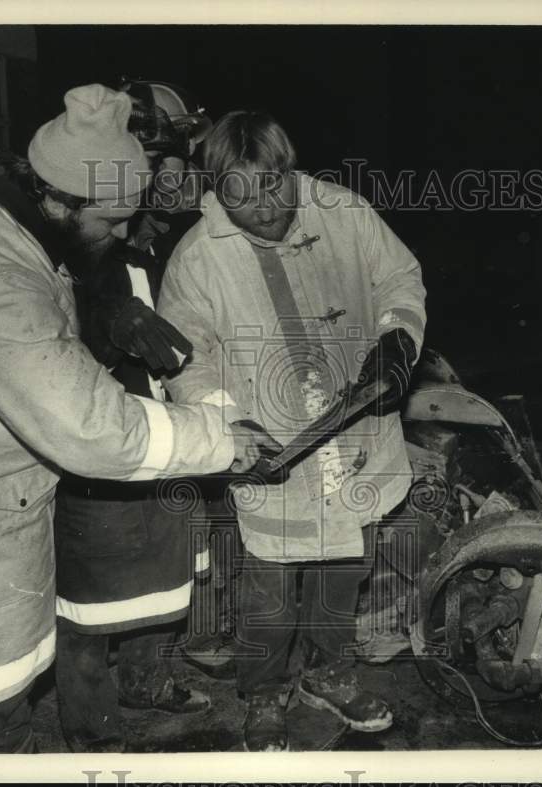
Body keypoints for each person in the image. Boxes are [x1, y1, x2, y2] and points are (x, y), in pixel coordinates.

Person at [0, 85, 278, 754]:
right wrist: (219, 438)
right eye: (113, 221)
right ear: (65, 202)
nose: (127, 233)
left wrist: (102, 314)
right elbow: (94, 427)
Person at [157, 110, 427, 751]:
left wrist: (397, 335)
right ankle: (264, 689)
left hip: (355, 433)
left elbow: (399, 277)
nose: (263, 209)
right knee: (270, 587)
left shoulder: (344, 212)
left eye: (274, 185)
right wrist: (230, 421)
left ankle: (329, 674)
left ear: (291, 170)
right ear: (216, 190)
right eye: (239, 195)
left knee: (345, 566)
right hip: (271, 444)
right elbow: (188, 358)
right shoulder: (197, 260)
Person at [51, 81, 229, 753]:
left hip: (168, 423)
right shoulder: (78, 222)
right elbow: (50, 312)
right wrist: (104, 318)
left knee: (172, 559)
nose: (173, 180)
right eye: (162, 164)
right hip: (97, 428)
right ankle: (92, 728)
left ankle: (147, 679)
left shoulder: (168, 233)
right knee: (93, 590)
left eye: (180, 165)